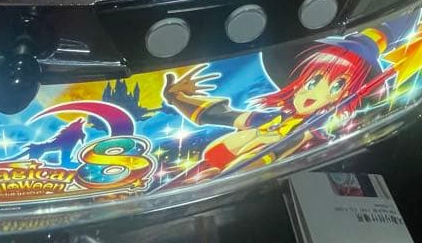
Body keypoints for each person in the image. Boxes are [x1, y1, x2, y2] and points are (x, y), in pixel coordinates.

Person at [162, 38, 387, 180]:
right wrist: (176, 97)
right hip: (198, 181)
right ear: (298, 82)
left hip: (246, 184)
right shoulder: (271, 118)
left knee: (264, 142)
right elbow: (223, 115)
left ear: (344, 96)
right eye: (312, 81)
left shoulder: (313, 130)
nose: (315, 92)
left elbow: (281, 148)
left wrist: (229, 176)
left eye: (337, 86)